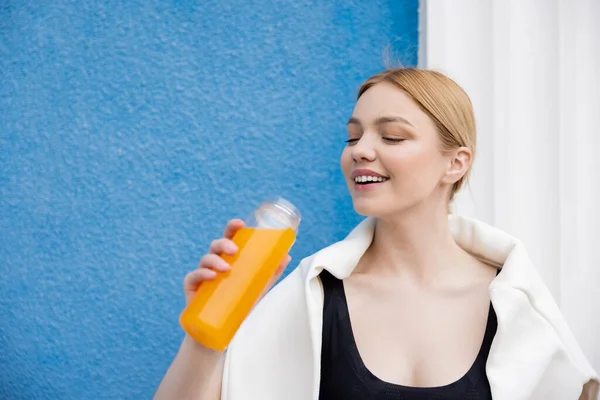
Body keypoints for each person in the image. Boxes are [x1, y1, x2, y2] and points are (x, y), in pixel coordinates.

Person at [155, 68, 599, 400]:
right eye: (353, 137)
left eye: (392, 136)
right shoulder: (310, 298)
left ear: (455, 163)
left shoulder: (517, 306)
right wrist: (206, 337)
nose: (361, 151)